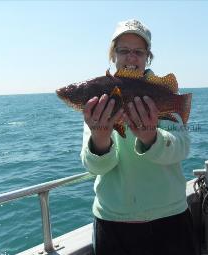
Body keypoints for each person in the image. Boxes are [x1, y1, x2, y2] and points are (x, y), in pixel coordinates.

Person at [80, 19, 195, 255]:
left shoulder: (162, 94)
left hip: (170, 218)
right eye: (124, 51)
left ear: (147, 57)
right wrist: (100, 139)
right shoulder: (100, 98)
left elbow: (182, 148)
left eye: (138, 52)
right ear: (113, 55)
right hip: (113, 222)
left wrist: (151, 137)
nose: (131, 57)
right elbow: (95, 167)